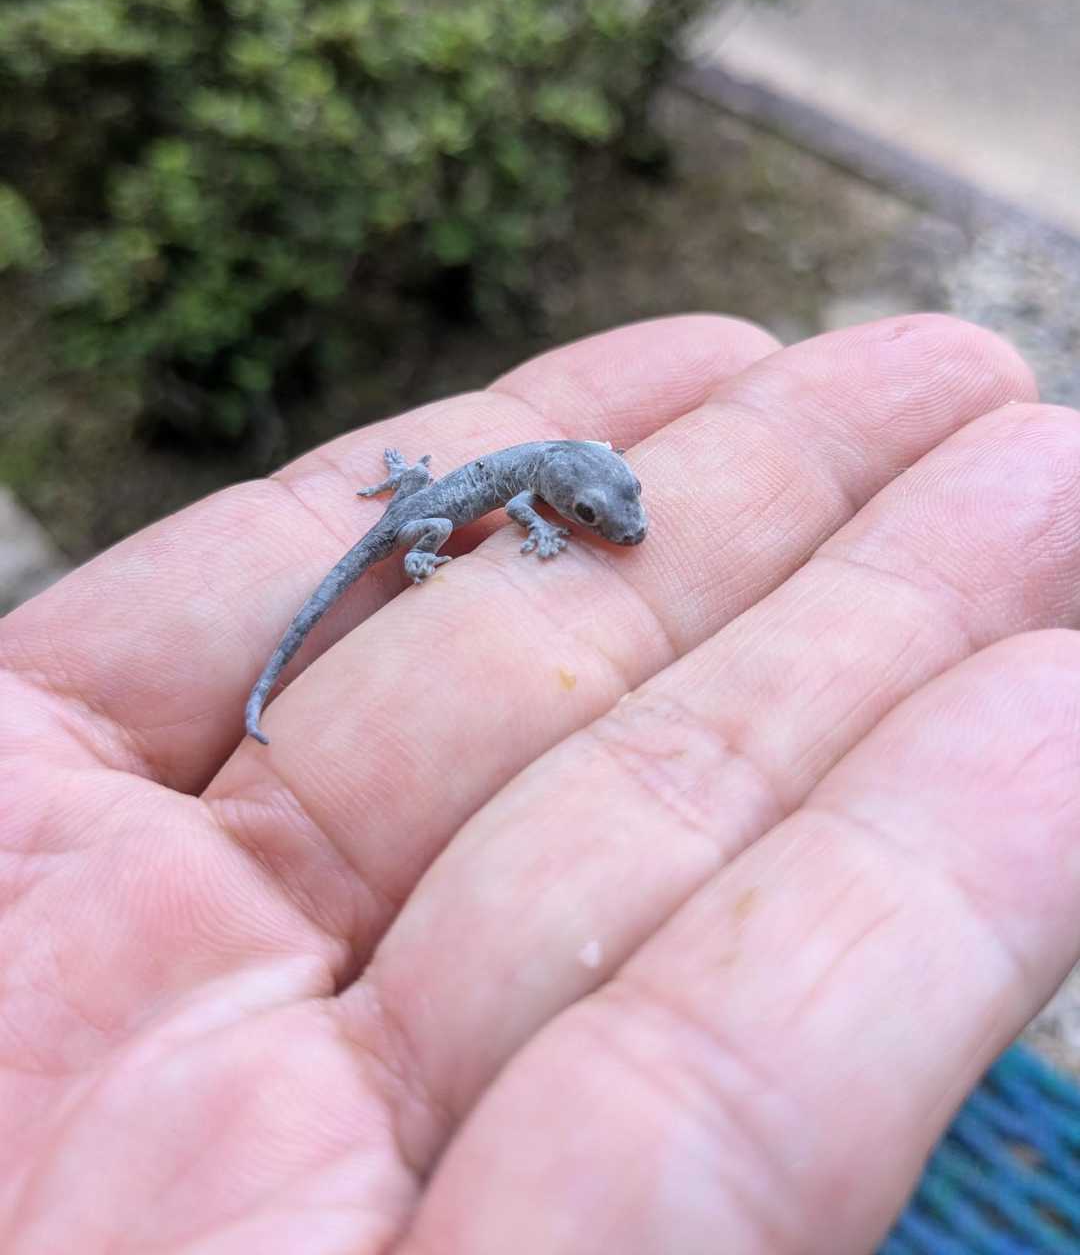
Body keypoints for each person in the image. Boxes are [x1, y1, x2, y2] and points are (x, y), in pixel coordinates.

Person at [1, 312, 1078, 1254]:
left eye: (611, 515)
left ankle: (396, 522)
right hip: (417, 516)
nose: (617, 531)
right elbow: (518, 506)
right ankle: (381, 569)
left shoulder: (574, 466)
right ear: (570, 501)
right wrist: (425, 554)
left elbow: (569, 486)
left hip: (427, 491)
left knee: (428, 512)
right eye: (600, 523)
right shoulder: (537, 487)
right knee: (407, 541)